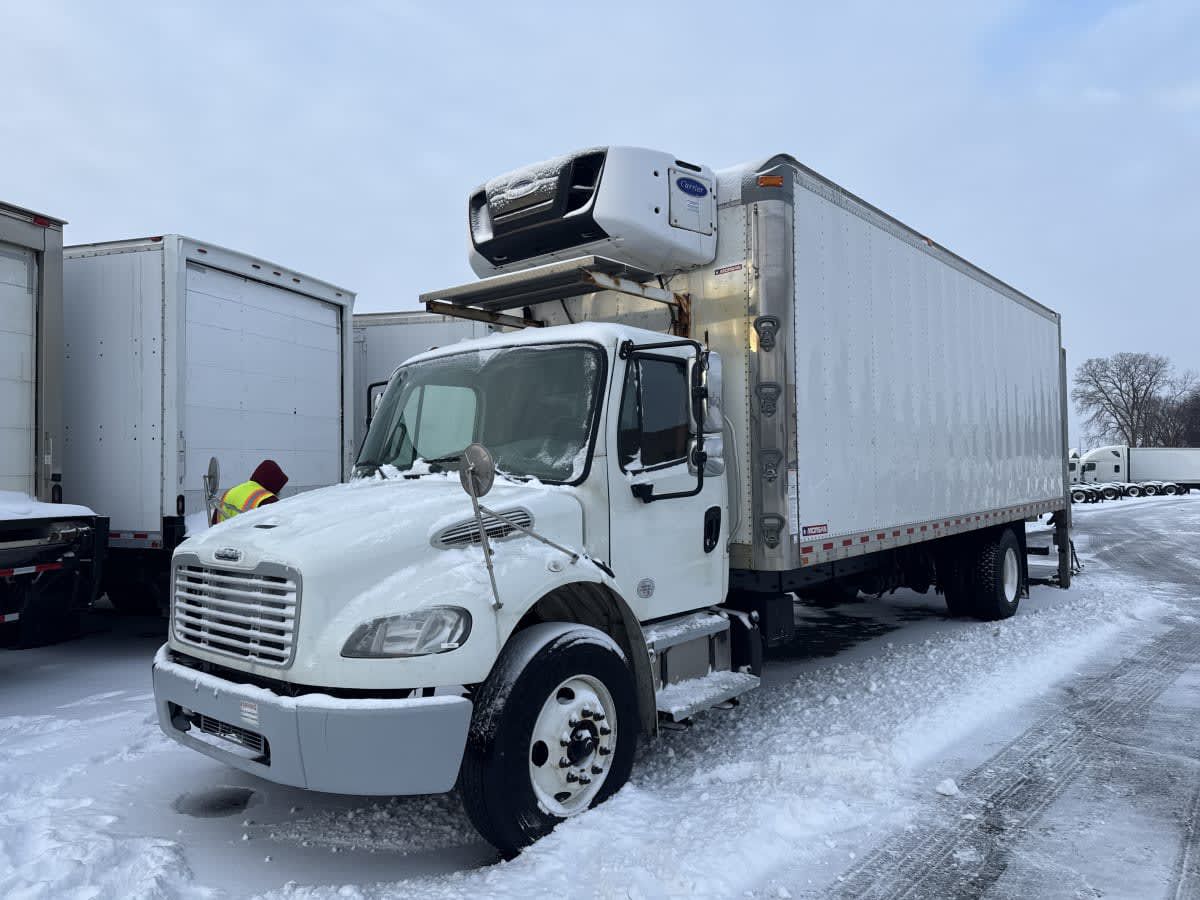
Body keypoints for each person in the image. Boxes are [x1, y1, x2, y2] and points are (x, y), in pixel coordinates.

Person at [213, 460, 289, 524]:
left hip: (220, 537)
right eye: (279, 488)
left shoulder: (229, 492)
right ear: (273, 484)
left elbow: (214, 524)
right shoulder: (268, 500)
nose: (279, 492)